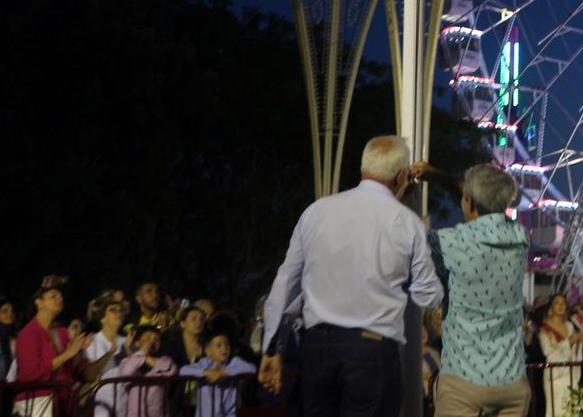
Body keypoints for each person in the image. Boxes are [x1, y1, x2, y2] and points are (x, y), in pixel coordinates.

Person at [258, 136, 444, 417]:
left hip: (318, 348)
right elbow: (429, 295)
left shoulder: (316, 211)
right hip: (372, 351)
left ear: (364, 168)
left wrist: (272, 346)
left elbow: (285, 284)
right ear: (401, 176)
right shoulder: (407, 223)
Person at [417, 162, 529, 417]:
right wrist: (444, 177)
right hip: (511, 382)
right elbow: (485, 200)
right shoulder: (520, 237)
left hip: (463, 382)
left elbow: (410, 243)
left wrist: (436, 176)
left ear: (468, 201)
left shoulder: (448, 241)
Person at [16, 278, 90, 417]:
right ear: (39, 303)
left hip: (64, 400)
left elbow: (73, 368)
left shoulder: (62, 331)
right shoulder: (28, 333)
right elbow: (30, 373)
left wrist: (78, 348)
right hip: (38, 400)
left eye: (60, 296)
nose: (59, 298)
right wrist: (68, 353)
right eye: (53, 296)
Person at [180, 332, 257, 417]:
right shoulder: (204, 363)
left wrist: (225, 372)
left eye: (226, 345)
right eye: (218, 345)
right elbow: (183, 370)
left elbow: (252, 368)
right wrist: (206, 372)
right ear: (208, 351)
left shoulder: (233, 362)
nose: (224, 348)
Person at [114, 324, 175, 417]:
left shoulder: (165, 359)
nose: (152, 342)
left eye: (156, 339)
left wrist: (145, 357)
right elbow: (126, 373)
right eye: (148, 338)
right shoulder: (127, 361)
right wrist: (142, 353)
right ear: (137, 342)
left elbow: (171, 369)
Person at [535, 295, 581, 417]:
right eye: (557, 303)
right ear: (551, 306)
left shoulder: (570, 326)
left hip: (570, 373)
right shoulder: (545, 328)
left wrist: (578, 341)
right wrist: (569, 342)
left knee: (572, 408)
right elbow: (548, 352)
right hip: (554, 375)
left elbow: (573, 351)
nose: (560, 306)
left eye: (563, 303)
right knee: (556, 409)